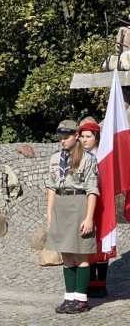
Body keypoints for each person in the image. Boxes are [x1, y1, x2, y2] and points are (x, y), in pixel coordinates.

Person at [45, 120, 99, 314]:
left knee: (81, 253)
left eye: (66, 137)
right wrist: (50, 214)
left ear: (76, 136)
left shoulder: (87, 158)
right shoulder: (54, 158)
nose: (62, 141)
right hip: (61, 204)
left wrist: (89, 217)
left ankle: (81, 299)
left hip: (79, 204)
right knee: (66, 254)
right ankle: (69, 297)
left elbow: (92, 189)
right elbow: (51, 187)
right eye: (60, 137)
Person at [79, 118, 114, 298]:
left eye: (88, 136)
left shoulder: (104, 155)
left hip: (103, 204)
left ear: (96, 137)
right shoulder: (79, 157)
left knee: (102, 242)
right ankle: (90, 282)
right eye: (82, 136)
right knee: (89, 243)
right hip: (85, 204)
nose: (84, 140)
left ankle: (101, 284)